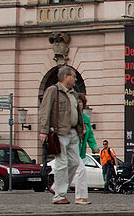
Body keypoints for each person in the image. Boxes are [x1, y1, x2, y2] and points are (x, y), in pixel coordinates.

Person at [38, 64, 89, 205]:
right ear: (66, 77)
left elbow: (78, 112)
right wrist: (43, 130)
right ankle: (59, 196)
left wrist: (81, 128)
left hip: (73, 132)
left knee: (74, 162)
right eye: (73, 76)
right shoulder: (53, 91)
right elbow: (44, 111)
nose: (75, 79)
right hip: (59, 132)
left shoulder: (73, 93)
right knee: (61, 164)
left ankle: (56, 187)